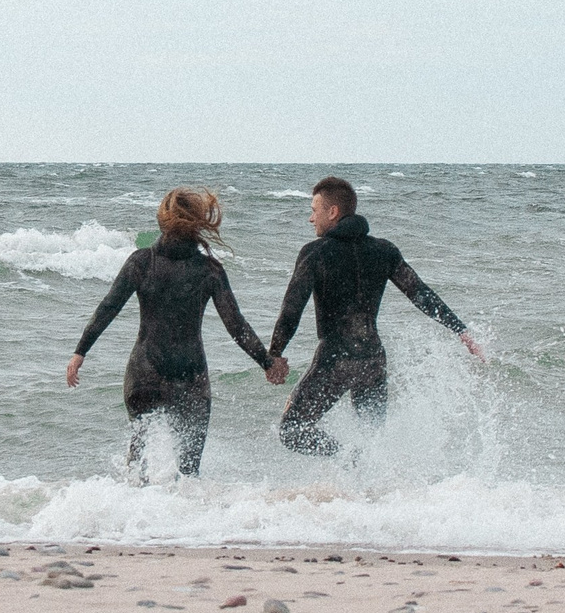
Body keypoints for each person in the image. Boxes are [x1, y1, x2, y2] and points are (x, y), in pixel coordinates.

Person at [66, 188, 284, 481]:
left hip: (144, 374)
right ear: (198, 223)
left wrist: (80, 352)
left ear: (162, 221)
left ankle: (130, 520)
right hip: (190, 377)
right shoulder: (210, 270)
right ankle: (181, 523)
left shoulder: (140, 262)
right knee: (189, 471)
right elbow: (236, 325)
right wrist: (266, 362)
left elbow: (108, 307)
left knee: (138, 460)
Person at [268, 176, 481, 456]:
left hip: (337, 359)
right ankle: (374, 492)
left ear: (333, 212)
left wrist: (275, 354)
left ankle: (348, 457)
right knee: (373, 442)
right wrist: (461, 331)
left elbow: (291, 309)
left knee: (292, 430)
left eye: (314, 210)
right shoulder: (384, 250)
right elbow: (420, 293)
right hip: (373, 361)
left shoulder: (316, 253)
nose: (311, 218)